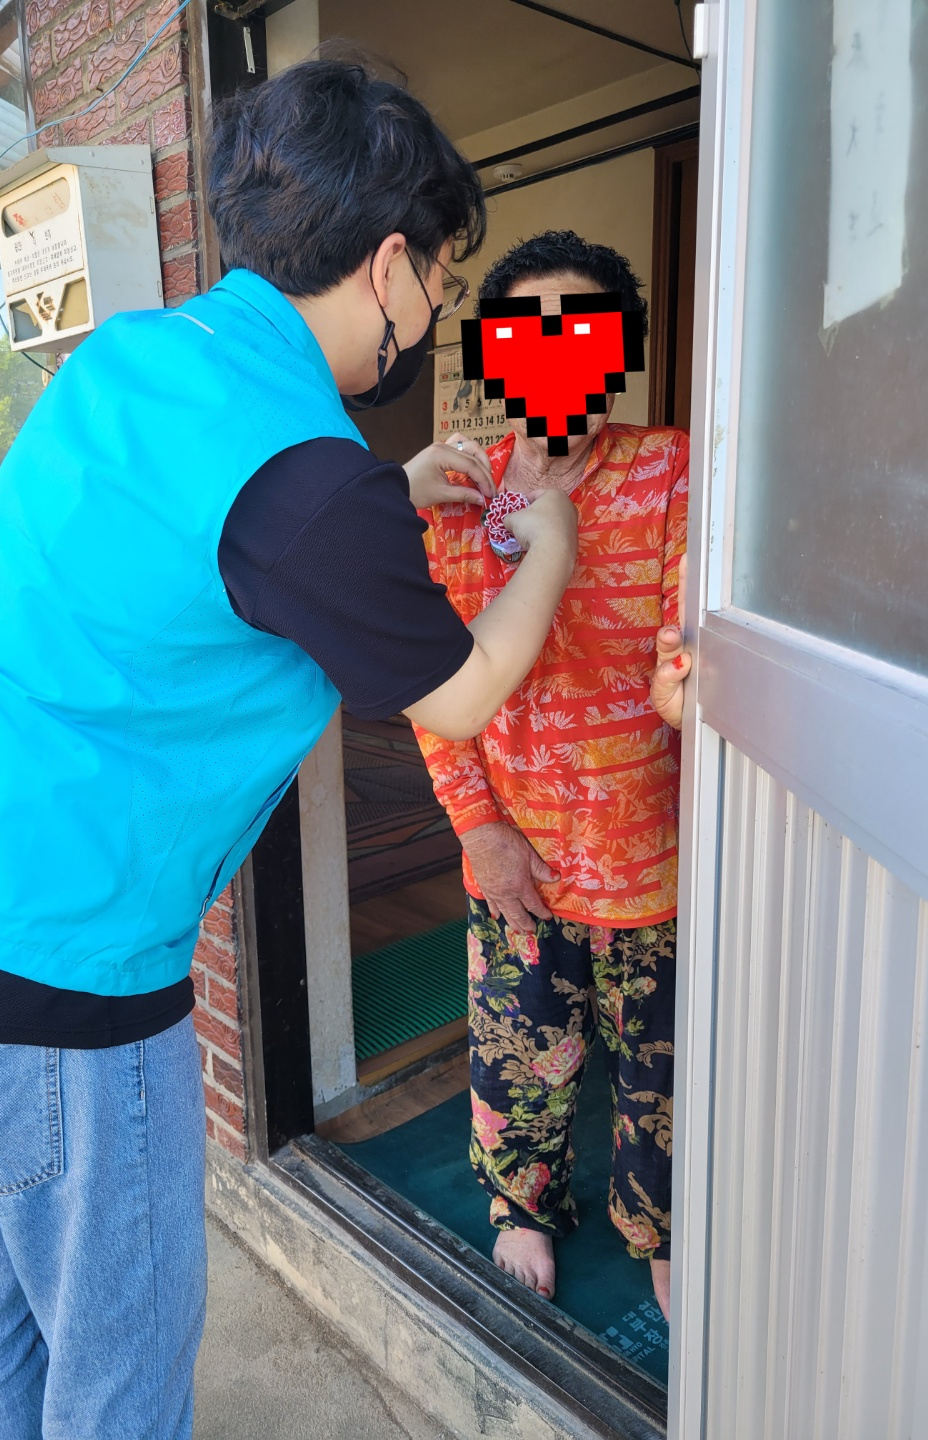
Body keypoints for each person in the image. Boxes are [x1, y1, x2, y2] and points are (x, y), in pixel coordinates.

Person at [0, 64, 578, 1440]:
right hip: (42, 988)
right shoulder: (310, 483)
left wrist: (392, 489)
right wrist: (555, 545)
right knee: (117, 1381)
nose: (431, 314)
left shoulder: (139, 350)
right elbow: (465, 693)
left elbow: (220, 542)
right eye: (439, 283)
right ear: (388, 265)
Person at [414, 230, 691, 1321]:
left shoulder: (671, 466)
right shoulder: (457, 489)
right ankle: (522, 1204)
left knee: (662, 1072)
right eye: (526, 336)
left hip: (651, 852)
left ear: (618, 352)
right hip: (515, 848)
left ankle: (659, 1228)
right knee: (519, 1048)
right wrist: (478, 828)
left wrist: (684, 676)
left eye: (581, 333)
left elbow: (688, 635)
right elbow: (429, 679)